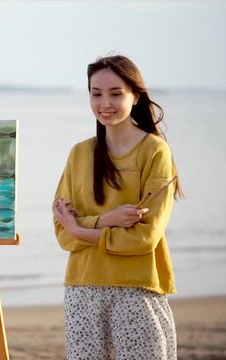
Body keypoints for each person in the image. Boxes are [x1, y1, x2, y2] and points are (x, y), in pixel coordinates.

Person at [52, 54, 183, 359]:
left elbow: (144, 238)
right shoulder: (80, 153)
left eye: (115, 93)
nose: (104, 103)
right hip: (81, 288)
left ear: (135, 96)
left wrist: (81, 229)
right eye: (96, 93)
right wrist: (106, 220)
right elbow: (62, 232)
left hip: (136, 288)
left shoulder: (155, 152)